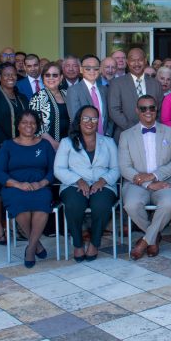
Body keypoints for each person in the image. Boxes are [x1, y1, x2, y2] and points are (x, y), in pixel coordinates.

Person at [119, 95, 171, 260]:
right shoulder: (126, 135)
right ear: (137, 111)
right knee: (131, 205)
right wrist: (148, 183)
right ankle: (153, 237)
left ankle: (145, 241)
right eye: (143, 108)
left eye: (151, 108)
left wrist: (154, 175)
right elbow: (124, 167)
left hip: (165, 182)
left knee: (169, 203)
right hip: (136, 183)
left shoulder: (170, 132)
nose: (148, 111)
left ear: (156, 110)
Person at [54, 105, 120, 262]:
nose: (90, 122)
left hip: (103, 184)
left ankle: (94, 243)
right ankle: (78, 244)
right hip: (73, 185)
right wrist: (78, 180)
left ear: (98, 122)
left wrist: (103, 180)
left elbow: (116, 168)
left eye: (94, 119)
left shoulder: (109, 142)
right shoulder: (66, 142)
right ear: (79, 120)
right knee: (74, 205)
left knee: (101, 205)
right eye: (86, 118)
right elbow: (58, 169)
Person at [0, 110, 55, 268]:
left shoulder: (44, 145)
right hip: (15, 187)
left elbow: (52, 171)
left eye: (32, 122)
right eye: (24, 122)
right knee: (19, 202)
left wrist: (41, 183)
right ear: (18, 125)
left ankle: (30, 248)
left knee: (42, 202)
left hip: (39, 186)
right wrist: (18, 184)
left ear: (37, 125)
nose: (29, 125)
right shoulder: (8, 145)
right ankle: (35, 245)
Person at [0, 62, 29, 244]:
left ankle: (17, 225)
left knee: (17, 185)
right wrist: (8, 145)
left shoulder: (22, 98)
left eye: (13, 75)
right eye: (6, 75)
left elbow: (28, 123)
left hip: (20, 149)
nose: (10, 77)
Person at [109, 47, 164, 141]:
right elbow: (114, 110)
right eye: (133, 60)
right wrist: (134, 129)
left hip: (152, 135)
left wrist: (150, 127)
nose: (137, 64)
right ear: (127, 62)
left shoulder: (156, 84)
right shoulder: (117, 83)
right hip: (125, 134)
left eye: (140, 60)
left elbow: (160, 109)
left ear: (145, 61)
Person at [66, 55, 113, 138]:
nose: (92, 71)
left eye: (96, 68)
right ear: (81, 69)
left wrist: (108, 134)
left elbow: (110, 116)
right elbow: (75, 118)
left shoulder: (105, 90)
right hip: (84, 139)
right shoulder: (73, 90)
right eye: (88, 68)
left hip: (105, 138)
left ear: (100, 70)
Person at [29, 62, 69, 151]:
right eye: (47, 75)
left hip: (68, 145)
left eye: (55, 75)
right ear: (43, 78)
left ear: (61, 77)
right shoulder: (37, 97)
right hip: (47, 146)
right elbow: (37, 126)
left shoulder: (67, 94)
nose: (51, 78)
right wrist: (55, 145)